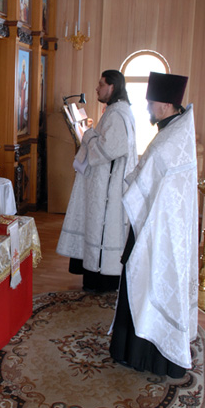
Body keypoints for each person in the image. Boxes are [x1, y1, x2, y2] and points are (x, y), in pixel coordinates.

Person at [109, 71, 198, 377]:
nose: (148, 107)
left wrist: (131, 183)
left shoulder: (170, 140)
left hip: (156, 228)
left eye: (151, 102)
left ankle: (140, 355)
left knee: (144, 280)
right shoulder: (175, 131)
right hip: (157, 223)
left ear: (165, 105)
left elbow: (144, 184)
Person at [56, 70, 138, 292]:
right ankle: (94, 277)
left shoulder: (117, 114)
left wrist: (89, 134)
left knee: (101, 231)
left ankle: (102, 280)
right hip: (103, 187)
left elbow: (109, 149)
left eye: (101, 84)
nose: (97, 88)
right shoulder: (116, 111)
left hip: (108, 193)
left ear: (113, 87)